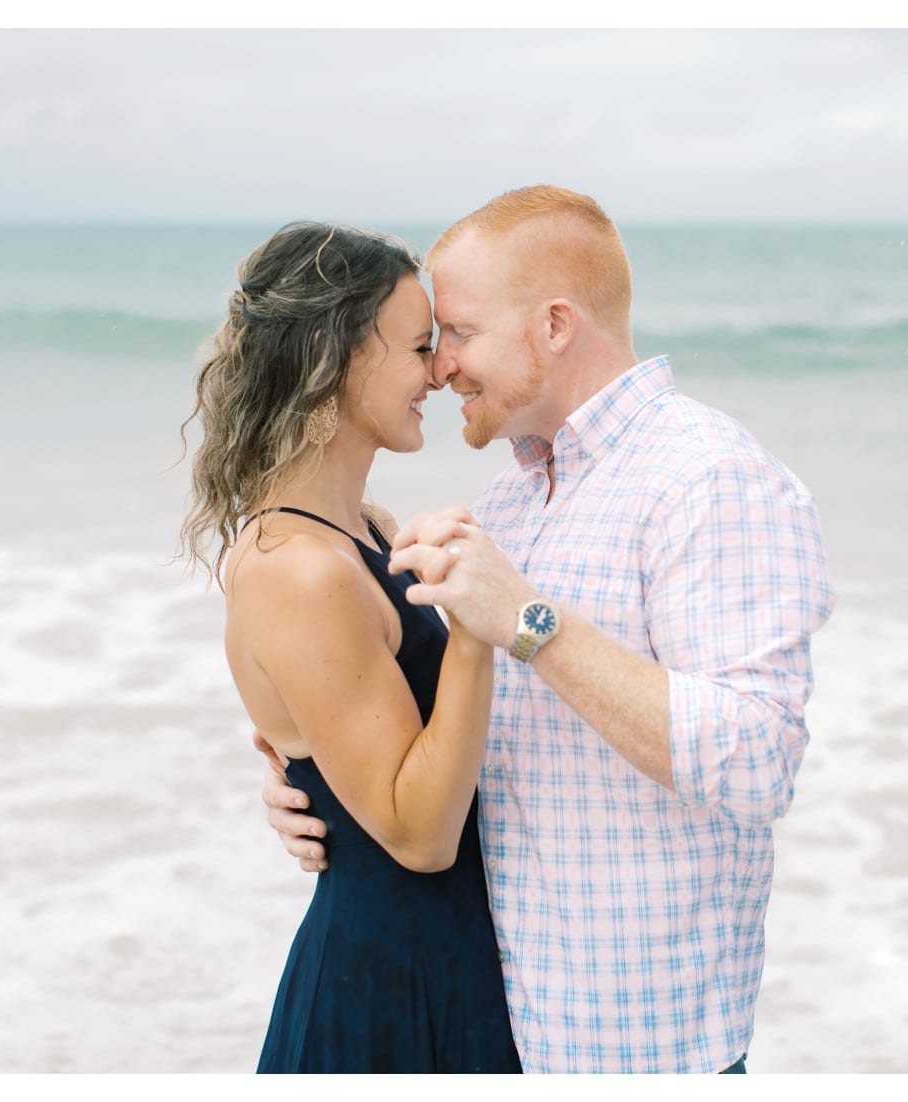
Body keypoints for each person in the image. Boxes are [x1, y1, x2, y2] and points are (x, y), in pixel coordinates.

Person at [262, 185, 835, 1073]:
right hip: (493, 1032)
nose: (440, 364)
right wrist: (319, 789)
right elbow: (474, 755)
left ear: (556, 325)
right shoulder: (510, 503)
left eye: (459, 332)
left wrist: (532, 625)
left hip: (640, 1058)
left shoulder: (707, 477)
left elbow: (758, 762)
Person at [179, 222, 521, 1073]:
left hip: (443, 963)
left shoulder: (359, 531)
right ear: (337, 359)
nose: (440, 372)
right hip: (388, 993)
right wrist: (475, 628)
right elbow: (419, 836)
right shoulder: (297, 569)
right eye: (417, 347)